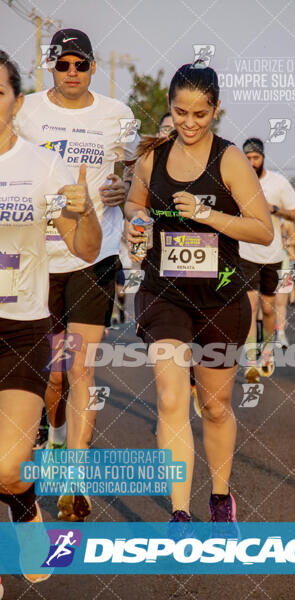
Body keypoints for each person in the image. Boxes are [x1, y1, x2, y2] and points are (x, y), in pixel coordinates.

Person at [125, 64, 273, 524]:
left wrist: (208, 215)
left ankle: (220, 497)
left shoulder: (228, 159)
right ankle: (180, 513)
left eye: (200, 115)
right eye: (180, 112)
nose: (189, 123)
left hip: (222, 295)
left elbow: (263, 230)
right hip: (163, 292)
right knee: (171, 397)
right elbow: (134, 201)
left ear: (216, 110)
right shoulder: (154, 156)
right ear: (170, 107)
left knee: (214, 405)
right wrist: (137, 221)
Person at [14, 29, 138, 521]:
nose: (71, 73)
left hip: (94, 254)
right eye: (62, 64)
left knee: (80, 368)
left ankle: (74, 481)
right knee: (51, 378)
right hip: (35, 259)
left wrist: (121, 191)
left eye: (80, 65)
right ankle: (56, 434)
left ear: (90, 67)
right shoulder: (23, 111)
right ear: (50, 65)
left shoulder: (116, 116)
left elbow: (131, 175)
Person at [0, 51, 100, 584]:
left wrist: (82, 211)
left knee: (9, 465)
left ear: (16, 101)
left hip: (19, 330)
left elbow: (86, 249)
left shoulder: (44, 166)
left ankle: (23, 507)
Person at [239, 138, 295, 379]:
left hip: (272, 254)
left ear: (263, 157)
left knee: (268, 307)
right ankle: (252, 357)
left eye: (255, 158)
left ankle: (268, 350)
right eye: (247, 158)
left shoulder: (278, 182)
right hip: (246, 253)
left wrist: (274, 209)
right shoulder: (237, 182)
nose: (252, 162)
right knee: (250, 306)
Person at [275, 218, 295, 349]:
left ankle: (281, 333)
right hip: (264, 262)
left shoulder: (288, 222)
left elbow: (294, 241)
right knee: (264, 302)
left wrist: (286, 243)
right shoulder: (262, 213)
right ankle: (261, 337)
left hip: (283, 263)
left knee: (281, 301)